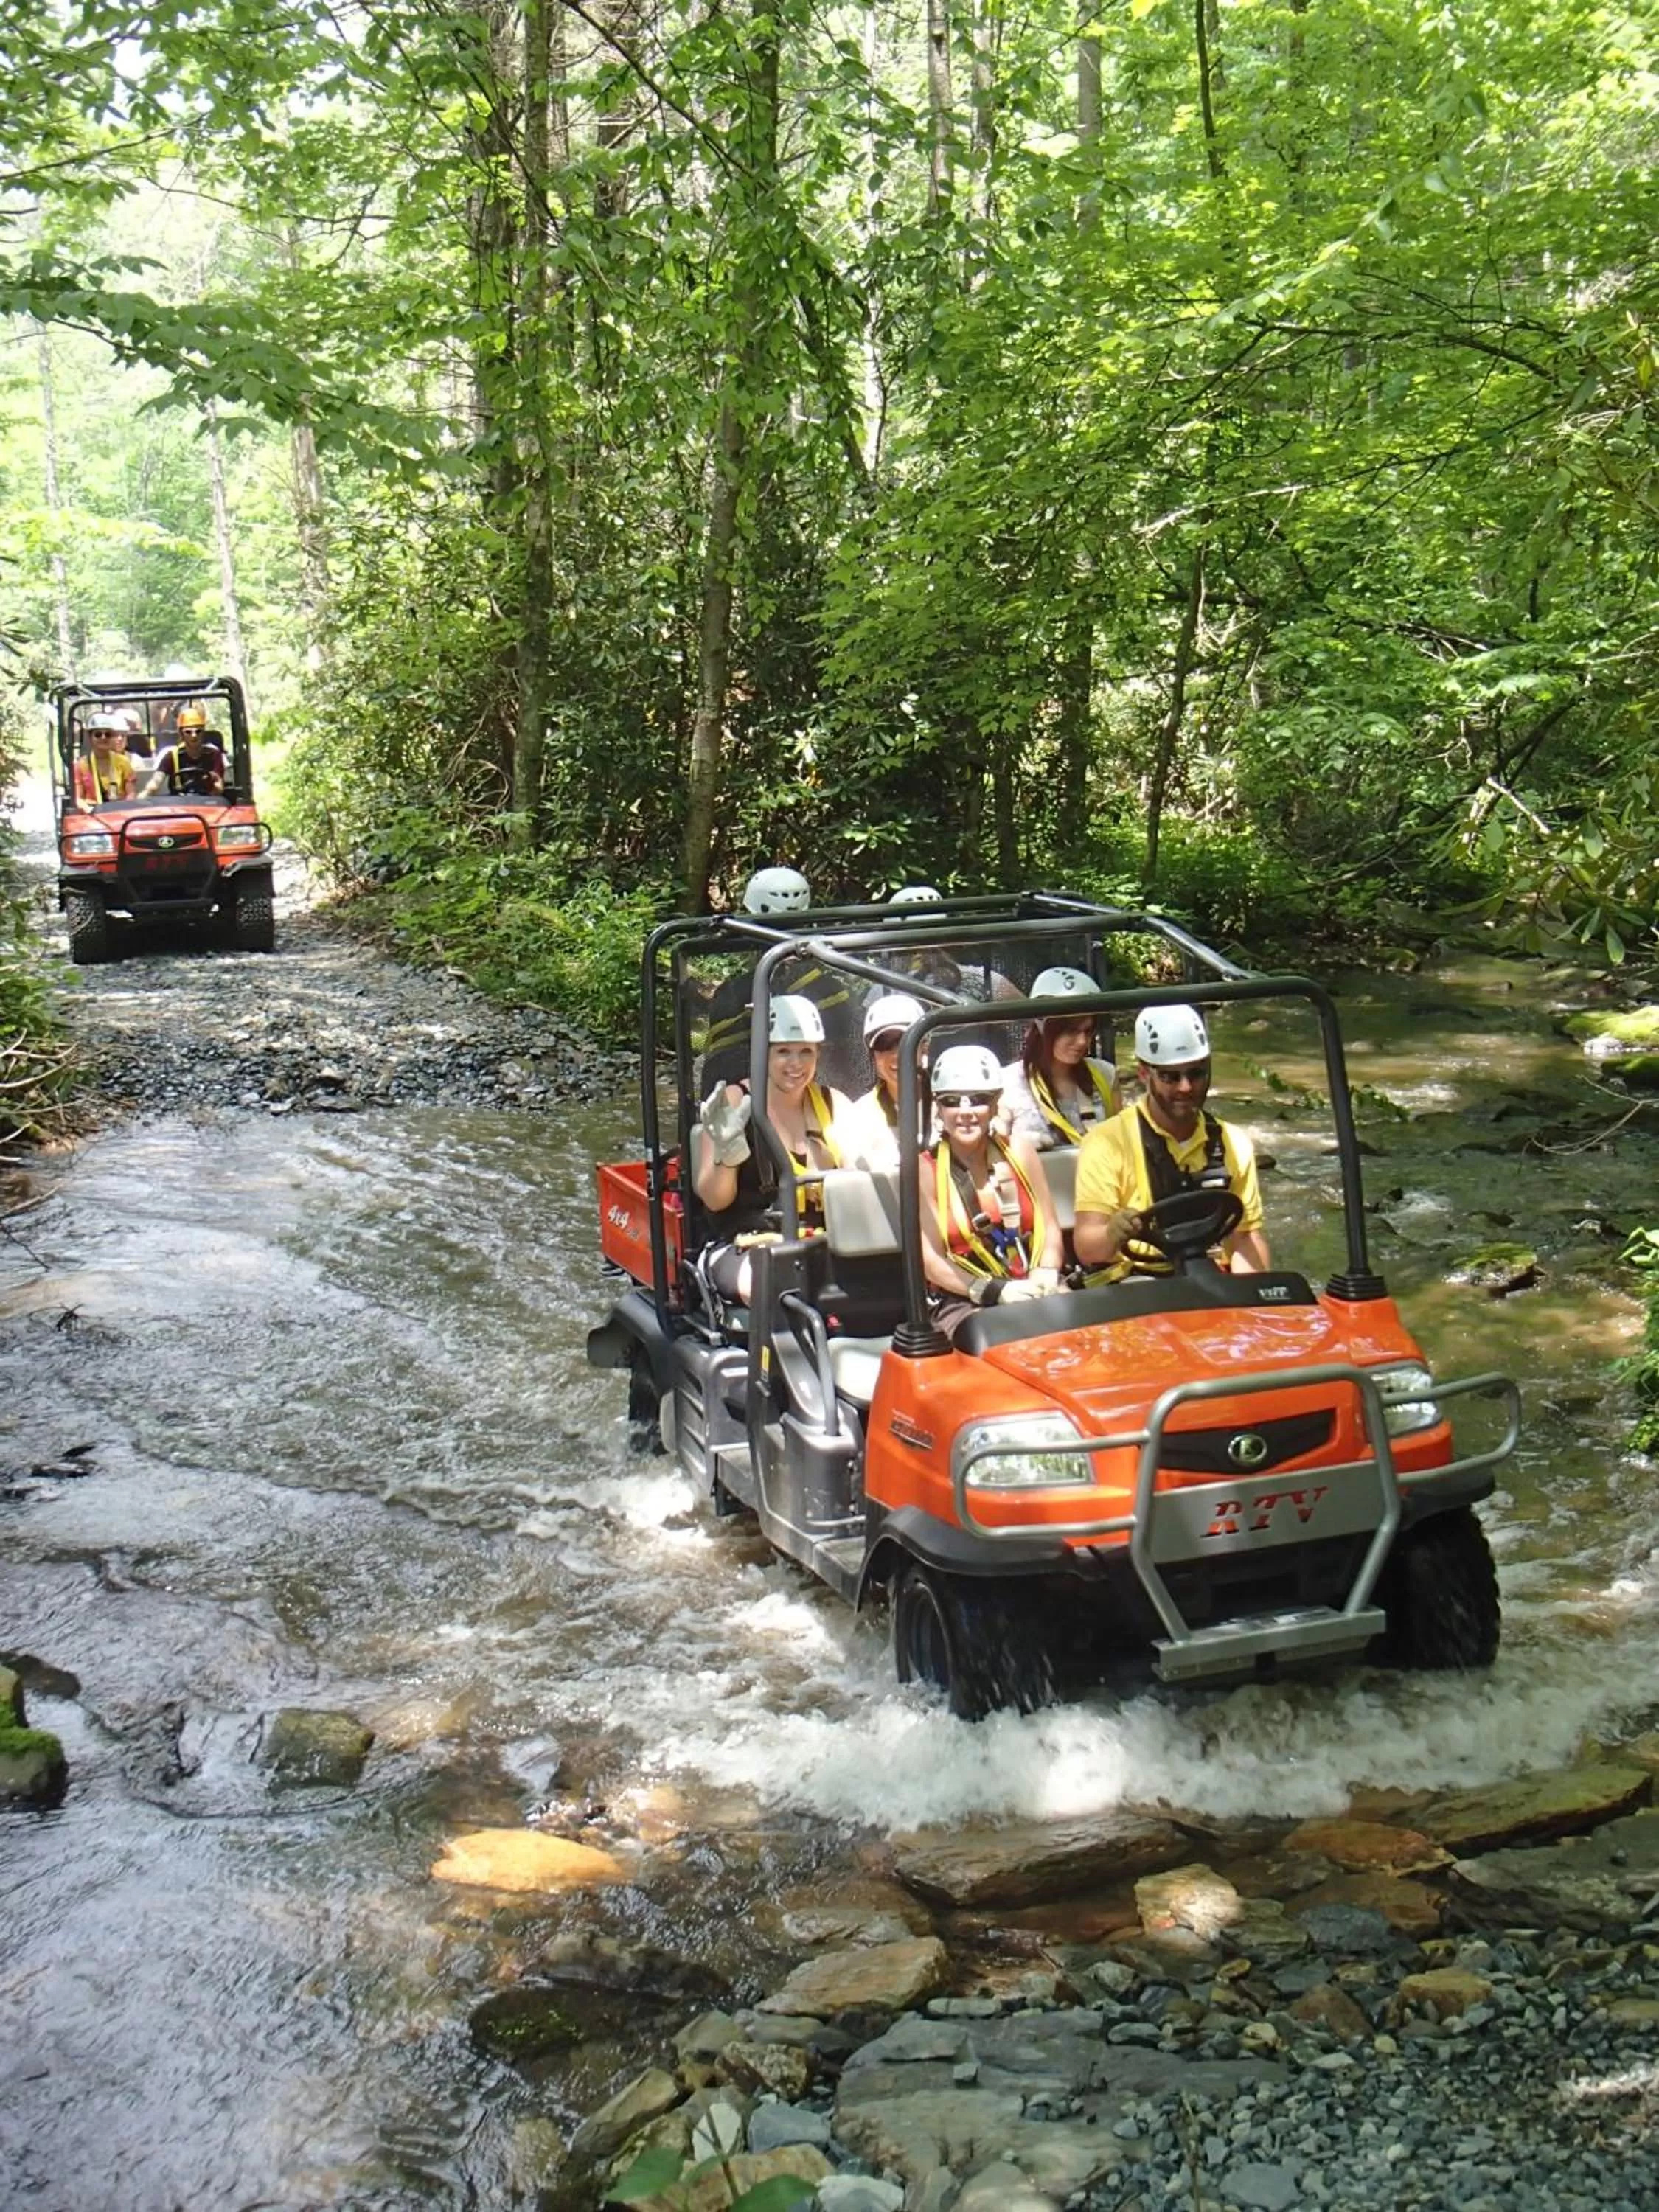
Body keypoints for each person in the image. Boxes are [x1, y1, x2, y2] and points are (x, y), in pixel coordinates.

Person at [1072, 1004, 1270, 1281]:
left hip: (1207, 1278)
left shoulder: (1234, 1144)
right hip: (1136, 1283)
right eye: (1170, 1076)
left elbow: (1245, 1240)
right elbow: (1088, 1249)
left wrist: (1253, 1304)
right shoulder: (1106, 1143)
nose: (1186, 1087)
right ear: (1144, 1074)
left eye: (1196, 1073)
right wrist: (1112, 1233)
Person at [692, 993, 852, 1305]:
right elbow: (713, 1198)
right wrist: (728, 1154)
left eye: (806, 1052)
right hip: (746, 1244)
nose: (796, 1064)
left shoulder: (835, 1103)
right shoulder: (733, 1103)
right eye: (783, 1052)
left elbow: (863, 1169)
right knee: (772, 1283)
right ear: (762, 1053)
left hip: (819, 1241)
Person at [919, 1043, 1062, 1335]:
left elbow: (1049, 1226)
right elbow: (931, 1261)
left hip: (1030, 1285)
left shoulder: (1020, 1153)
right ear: (938, 1108)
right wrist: (992, 1292)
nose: (965, 1112)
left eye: (978, 1099)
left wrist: (1046, 1271)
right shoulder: (924, 1170)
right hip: (963, 1299)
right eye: (952, 1101)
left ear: (996, 1104)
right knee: (1004, 1335)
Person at [1000, 966, 1121, 1150]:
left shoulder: (1105, 1075)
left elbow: (1121, 1142)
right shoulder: (1008, 1083)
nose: (1082, 1041)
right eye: (1071, 1031)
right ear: (1042, 1027)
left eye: (1088, 1031)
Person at [837, 991, 927, 1171]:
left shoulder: (952, 1103)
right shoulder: (857, 1120)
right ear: (873, 1055)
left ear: (924, 1045)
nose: (895, 1055)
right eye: (884, 1045)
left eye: (904, 1042)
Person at [142, 703, 226, 797]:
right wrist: (147, 792)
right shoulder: (172, 755)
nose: (194, 736)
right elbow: (157, 780)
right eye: (188, 732)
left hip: (207, 801)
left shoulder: (214, 755)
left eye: (198, 731)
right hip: (179, 803)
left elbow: (219, 787)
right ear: (181, 734)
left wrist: (212, 780)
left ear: (203, 732)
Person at [73, 713, 135, 804]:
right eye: (98, 735)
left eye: (108, 734)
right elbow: (78, 799)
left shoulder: (123, 762)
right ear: (90, 738)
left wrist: (126, 807)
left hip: (119, 811)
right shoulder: (81, 766)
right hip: (92, 813)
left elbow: (131, 794)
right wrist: (88, 809)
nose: (103, 738)